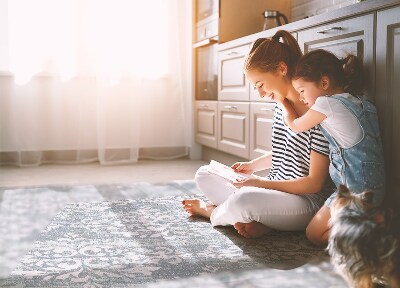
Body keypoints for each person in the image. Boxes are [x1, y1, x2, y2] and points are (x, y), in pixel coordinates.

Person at [182, 30, 336, 245]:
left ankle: (212, 212)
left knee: (244, 199)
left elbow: (314, 184)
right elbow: (286, 150)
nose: (261, 94)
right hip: (275, 190)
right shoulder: (281, 105)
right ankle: (265, 220)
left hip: (306, 202)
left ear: (282, 68)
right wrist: (253, 166)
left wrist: (260, 184)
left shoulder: (316, 110)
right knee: (204, 173)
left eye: (261, 85)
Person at [279, 49, 385, 230]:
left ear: (324, 83)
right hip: (377, 189)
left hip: (355, 191)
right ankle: (367, 222)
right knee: (319, 230)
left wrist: (283, 104)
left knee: (314, 234)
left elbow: (296, 126)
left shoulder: (326, 104)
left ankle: (369, 225)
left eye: (302, 90)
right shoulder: (360, 102)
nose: (300, 97)